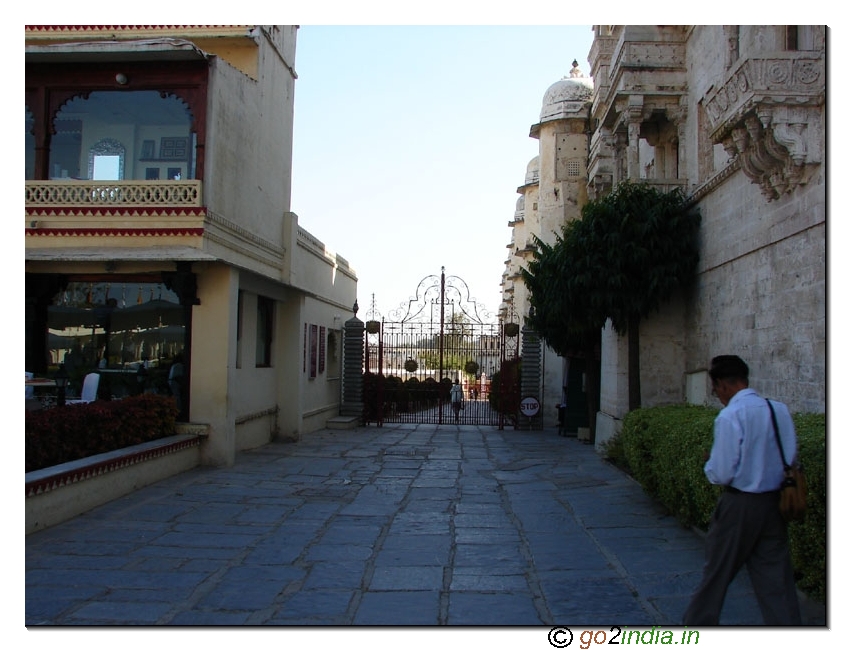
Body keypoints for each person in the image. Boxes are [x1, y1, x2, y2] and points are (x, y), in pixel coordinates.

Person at [683, 355, 801, 625]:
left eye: (715, 389)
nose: (717, 395)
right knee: (776, 581)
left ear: (722, 385)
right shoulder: (778, 409)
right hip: (775, 503)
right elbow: (791, 457)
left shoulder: (730, 416)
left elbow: (722, 472)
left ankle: (695, 629)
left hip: (740, 506)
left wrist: (710, 465)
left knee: (717, 574)